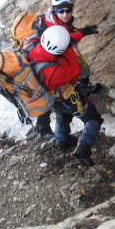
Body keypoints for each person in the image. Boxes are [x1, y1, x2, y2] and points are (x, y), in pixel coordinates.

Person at [28, 25, 102, 166]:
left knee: (63, 116)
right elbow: (75, 70)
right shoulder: (56, 71)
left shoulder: (34, 50)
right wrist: (69, 49)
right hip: (66, 96)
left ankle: (62, 141)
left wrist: (81, 33)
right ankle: (83, 147)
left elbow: (60, 43)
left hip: (51, 97)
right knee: (93, 119)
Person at [34, 0, 100, 139]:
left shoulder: (50, 19)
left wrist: (79, 32)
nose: (65, 14)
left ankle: (60, 138)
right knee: (59, 102)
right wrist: (82, 32)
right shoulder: (53, 26)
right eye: (61, 10)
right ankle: (48, 130)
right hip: (51, 70)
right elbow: (65, 41)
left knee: (57, 104)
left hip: (46, 66)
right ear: (54, 9)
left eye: (68, 10)